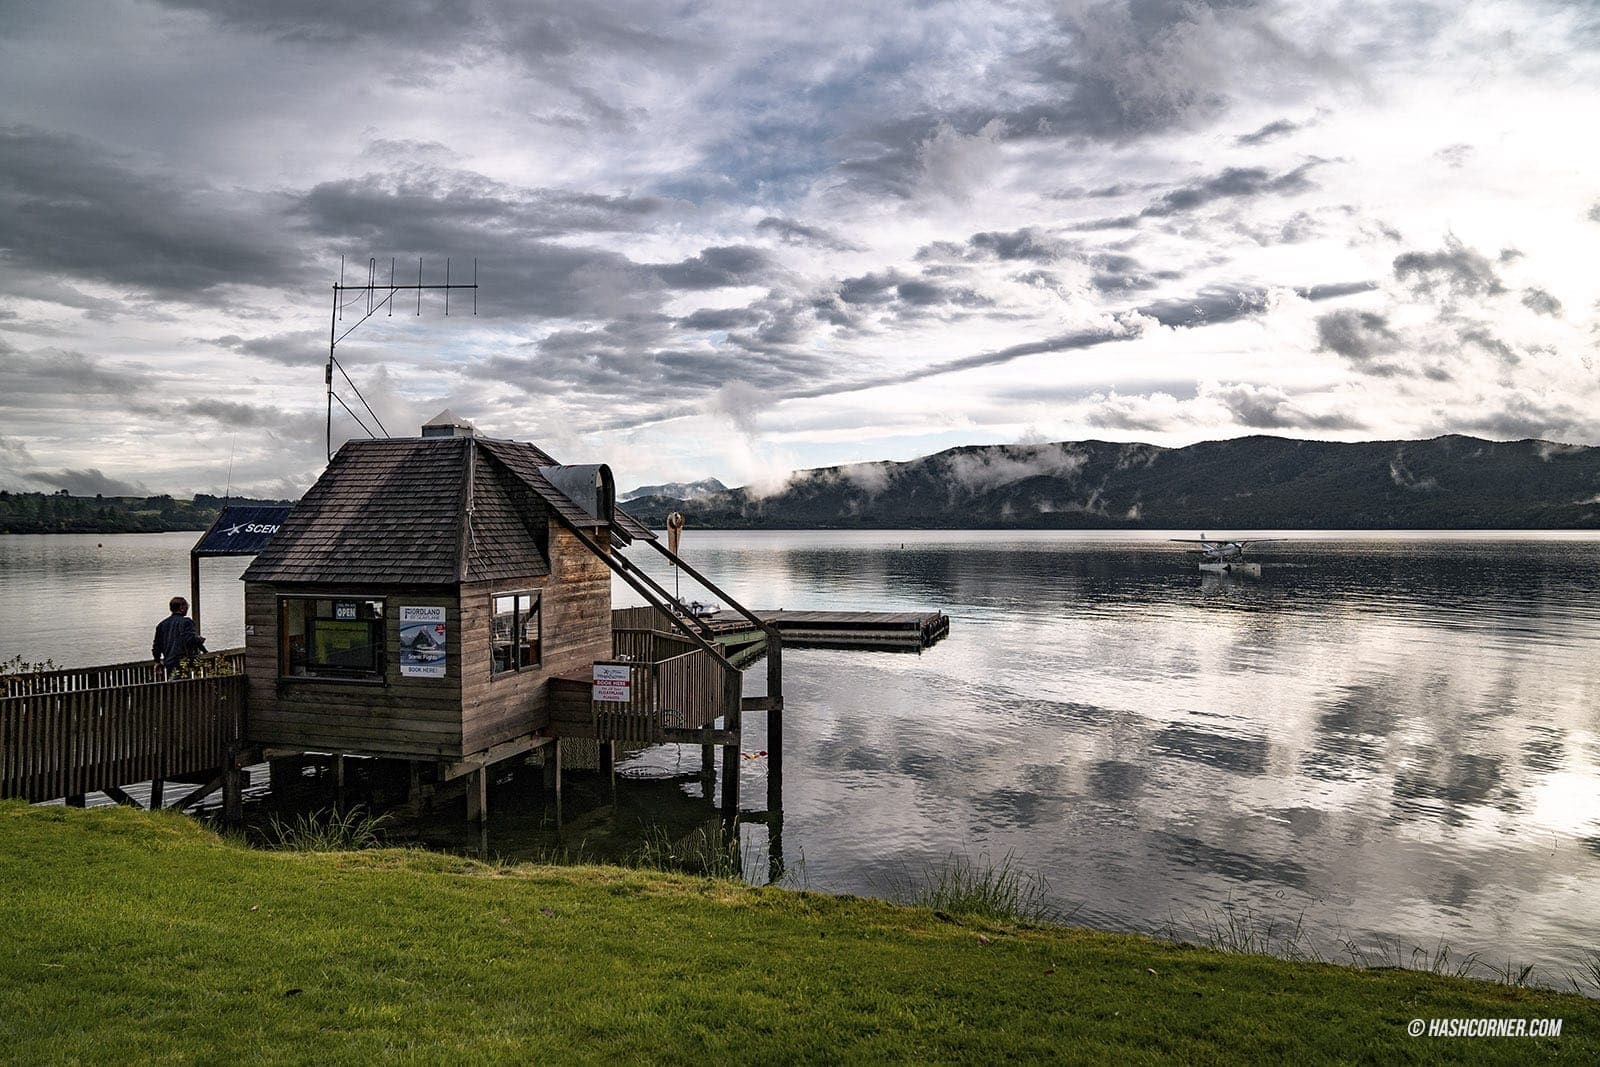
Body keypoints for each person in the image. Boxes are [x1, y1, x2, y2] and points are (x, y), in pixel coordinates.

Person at [152, 596, 204, 673]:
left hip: (169, 663)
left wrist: (157, 661)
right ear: (181, 608)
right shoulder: (186, 622)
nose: (187, 608)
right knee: (184, 682)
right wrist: (199, 639)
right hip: (184, 662)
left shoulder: (161, 625)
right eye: (187, 606)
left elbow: (157, 646)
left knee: (174, 683)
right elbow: (190, 640)